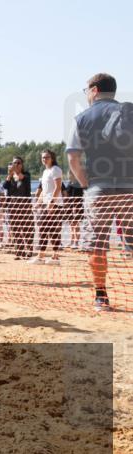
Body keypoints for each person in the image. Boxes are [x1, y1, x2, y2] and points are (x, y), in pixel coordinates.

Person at [66, 72, 132, 312]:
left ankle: (101, 297)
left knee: (97, 244)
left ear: (94, 90)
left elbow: (73, 157)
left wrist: (85, 184)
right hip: (130, 188)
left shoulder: (82, 118)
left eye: (86, 91)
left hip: (98, 188)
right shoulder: (129, 112)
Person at [31, 149, 64, 264]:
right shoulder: (45, 172)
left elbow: (58, 187)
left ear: (52, 158)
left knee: (52, 229)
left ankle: (53, 257)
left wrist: (52, 202)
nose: (44, 159)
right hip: (45, 204)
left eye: (47, 157)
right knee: (43, 228)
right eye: (43, 157)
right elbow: (44, 191)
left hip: (55, 205)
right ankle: (43, 256)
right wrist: (37, 203)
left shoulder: (56, 169)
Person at [3, 156, 34, 259]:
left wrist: (15, 172)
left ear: (22, 164)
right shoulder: (10, 177)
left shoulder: (26, 175)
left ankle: (29, 251)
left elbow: (22, 178)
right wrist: (9, 174)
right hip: (13, 207)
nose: (16, 165)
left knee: (27, 229)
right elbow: (5, 186)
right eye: (14, 163)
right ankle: (19, 251)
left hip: (25, 207)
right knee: (15, 230)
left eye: (18, 163)